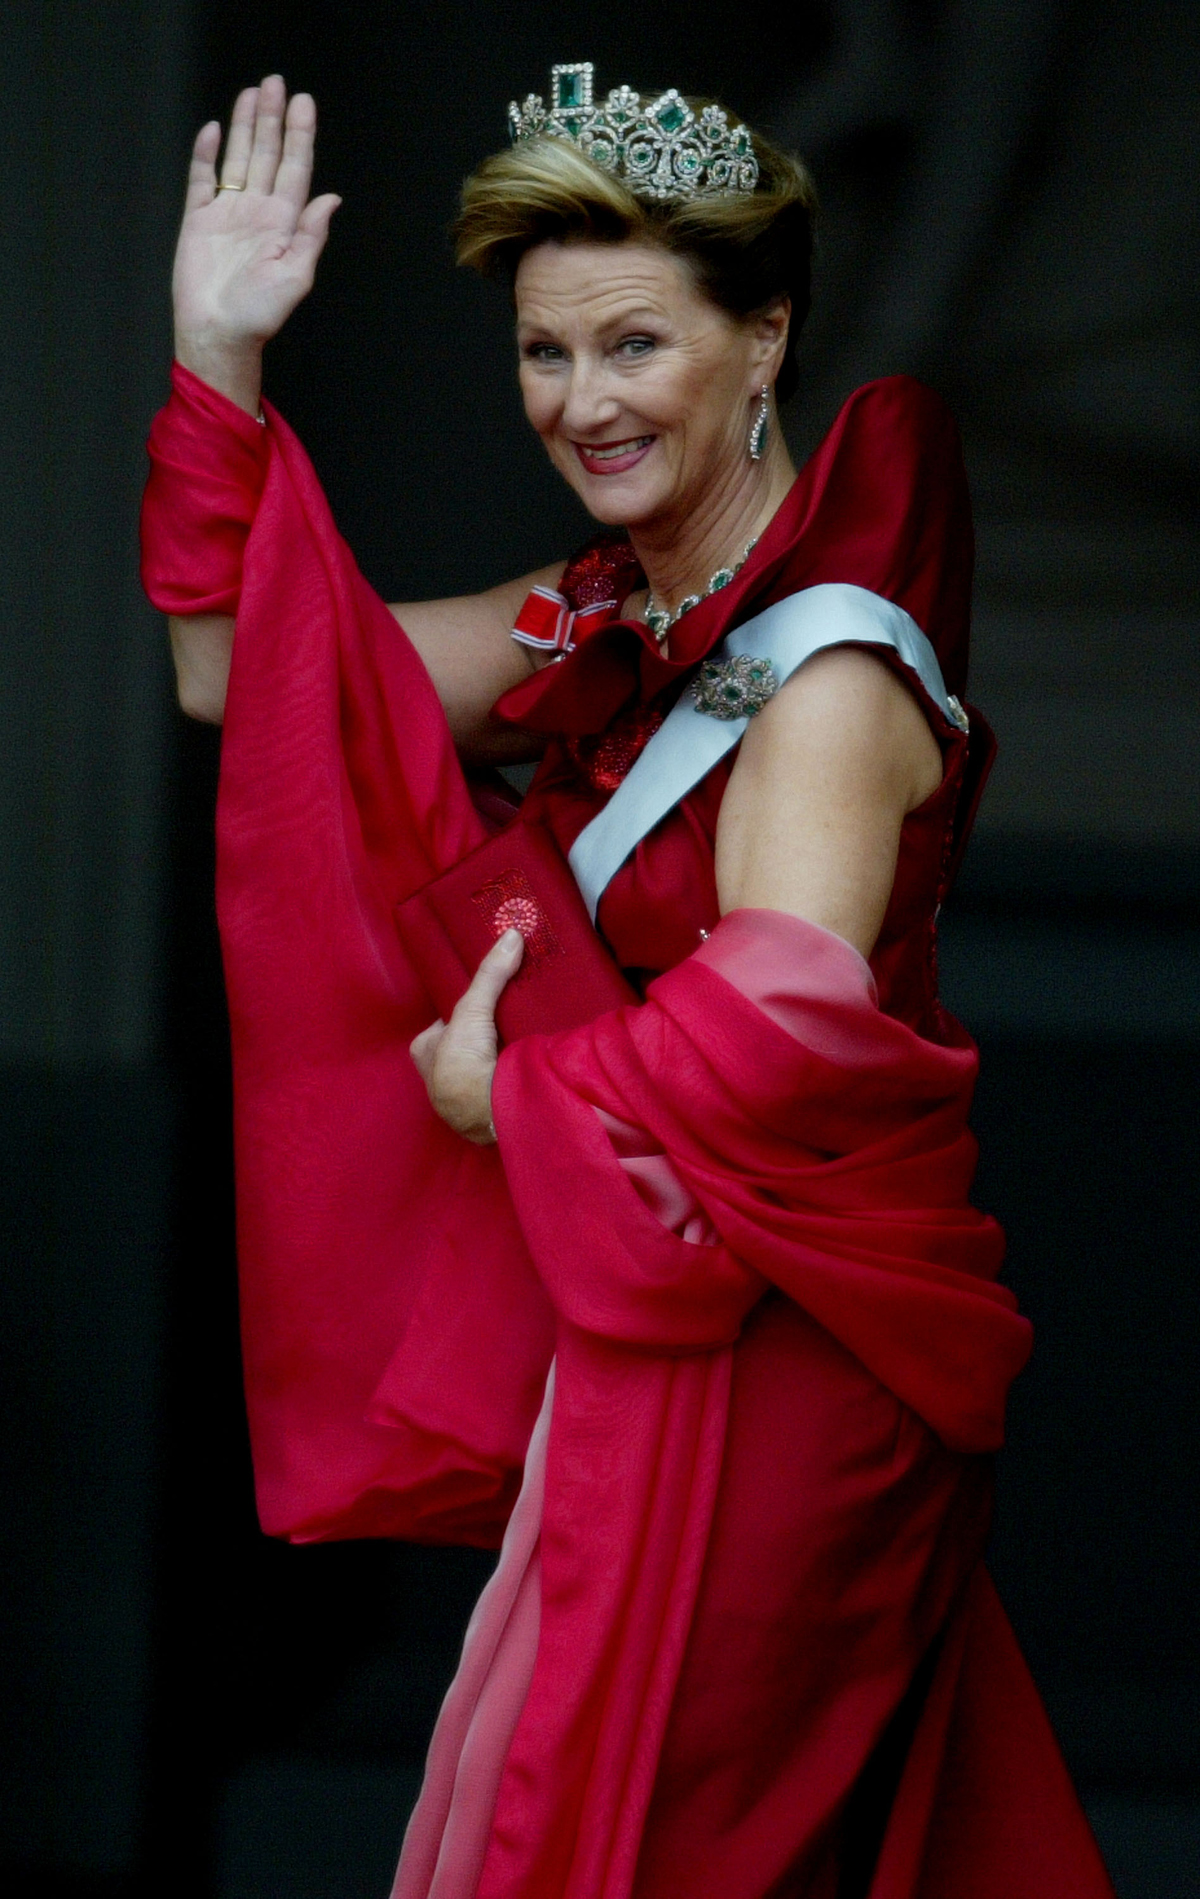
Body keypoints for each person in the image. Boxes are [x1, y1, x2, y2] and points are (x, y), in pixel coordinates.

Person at [142, 68, 1115, 1899]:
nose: (582, 403)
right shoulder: (605, 611)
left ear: (766, 343)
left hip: (783, 1380)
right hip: (650, 1338)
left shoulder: (824, 683)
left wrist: (491, 1093)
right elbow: (246, 678)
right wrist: (220, 354)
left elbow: (771, 1044)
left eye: (636, 344)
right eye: (542, 354)